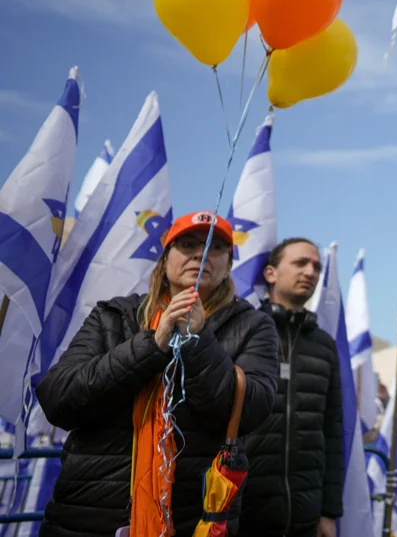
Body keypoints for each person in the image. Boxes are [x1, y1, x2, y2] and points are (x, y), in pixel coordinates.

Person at [36, 211, 279, 537]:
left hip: (191, 521)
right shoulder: (114, 316)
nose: (200, 254)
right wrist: (153, 344)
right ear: (164, 261)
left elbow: (251, 411)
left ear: (228, 267)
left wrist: (198, 341)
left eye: (215, 247)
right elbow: (58, 399)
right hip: (87, 518)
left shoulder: (253, 326)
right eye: (188, 245)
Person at [239, 238, 343, 537]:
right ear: (270, 273)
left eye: (316, 267)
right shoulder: (243, 330)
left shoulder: (324, 345)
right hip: (242, 514)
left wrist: (329, 512)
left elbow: (333, 432)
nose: (311, 272)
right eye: (300, 263)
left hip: (304, 518)